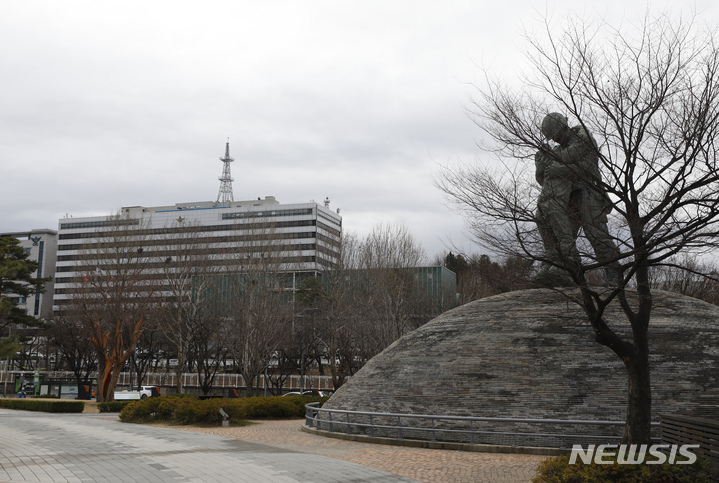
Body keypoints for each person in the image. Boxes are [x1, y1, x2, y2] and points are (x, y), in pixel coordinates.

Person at [534, 113, 621, 287]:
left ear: (563, 128)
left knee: (596, 234)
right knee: (560, 232)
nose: (556, 140)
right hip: (570, 198)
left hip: (590, 192)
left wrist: (558, 169)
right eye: (553, 138)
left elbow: (586, 168)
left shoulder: (583, 141)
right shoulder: (560, 150)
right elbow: (545, 174)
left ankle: (614, 273)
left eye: (556, 135)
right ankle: (566, 269)